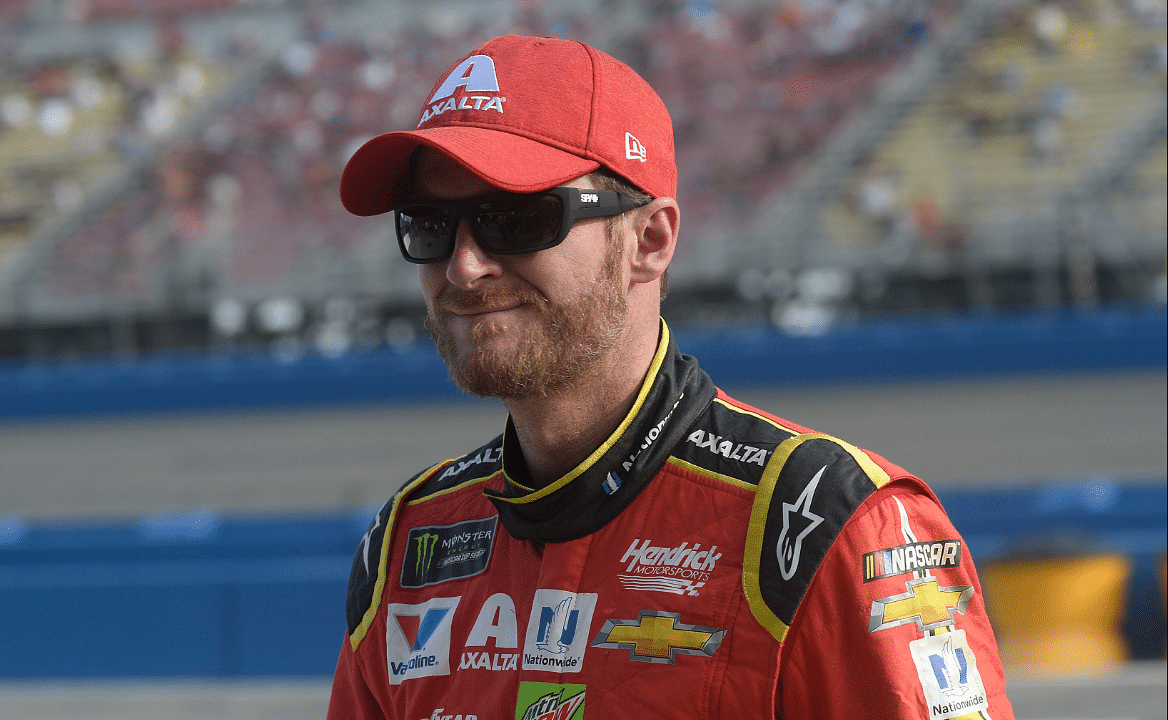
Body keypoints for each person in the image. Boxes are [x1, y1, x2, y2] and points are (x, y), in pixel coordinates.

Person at [329, 34, 1014, 720]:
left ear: (649, 241)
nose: (464, 267)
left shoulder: (828, 524)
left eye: (516, 218)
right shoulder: (406, 548)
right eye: (430, 225)